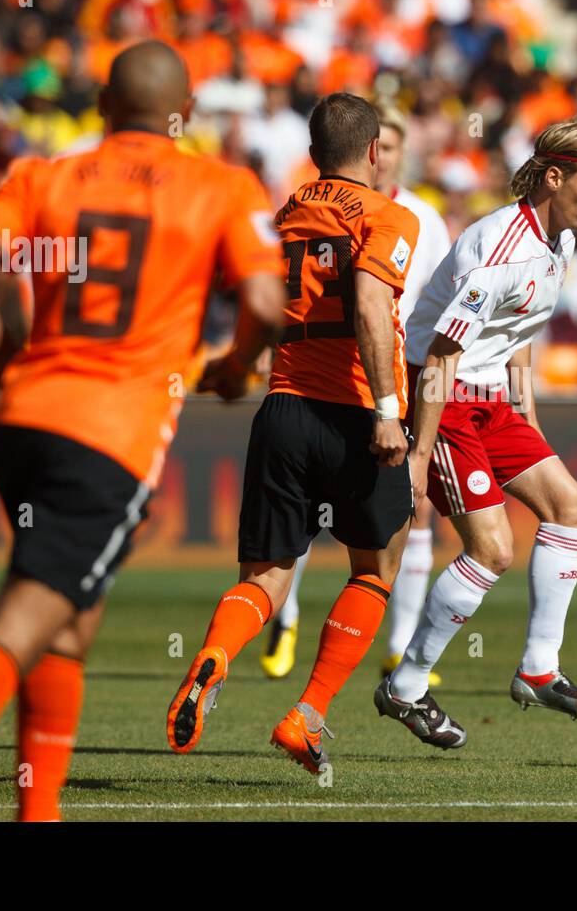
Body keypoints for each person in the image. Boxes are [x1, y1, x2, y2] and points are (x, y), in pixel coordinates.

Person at [0, 40, 286, 822]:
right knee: (26, 620)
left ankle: (38, 813)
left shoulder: (46, 175)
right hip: (109, 438)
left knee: (68, 627)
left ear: (103, 106)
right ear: (184, 114)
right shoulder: (218, 185)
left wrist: (2, 350)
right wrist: (236, 365)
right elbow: (269, 302)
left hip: (22, 422)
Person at [166, 93, 421, 775]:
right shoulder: (390, 215)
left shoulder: (281, 217)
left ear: (313, 155)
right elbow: (371, 304)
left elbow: (257, 304)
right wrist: (388, 411)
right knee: (375, 570)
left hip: (283, 408)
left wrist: (237, 366)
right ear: (376, 151)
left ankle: (215, 655)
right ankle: (306, 712)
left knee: (266, 577)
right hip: (357, 413)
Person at [373, 115, 577, 748]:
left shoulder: (559, 240)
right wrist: (419, 455)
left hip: (491, 399)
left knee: (572, 508)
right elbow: (443, 352)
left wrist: (525, 412)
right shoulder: (500, 246)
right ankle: (406, 685)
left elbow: (518, 330)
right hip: (443, 394)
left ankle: (539, 668)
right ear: (554, 178)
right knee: (493, 550)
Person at [260, 101, 453, 685]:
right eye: (381, 146)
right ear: (370, 150)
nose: (385, 156)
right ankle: (292, 632)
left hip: (392, 367)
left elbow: (438, 303)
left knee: (412, 510)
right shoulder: (371, 215)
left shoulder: (420, 217)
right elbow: (370, 303)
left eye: (395, 147)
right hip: (358, 383)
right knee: (345, 541)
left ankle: (399, 646)